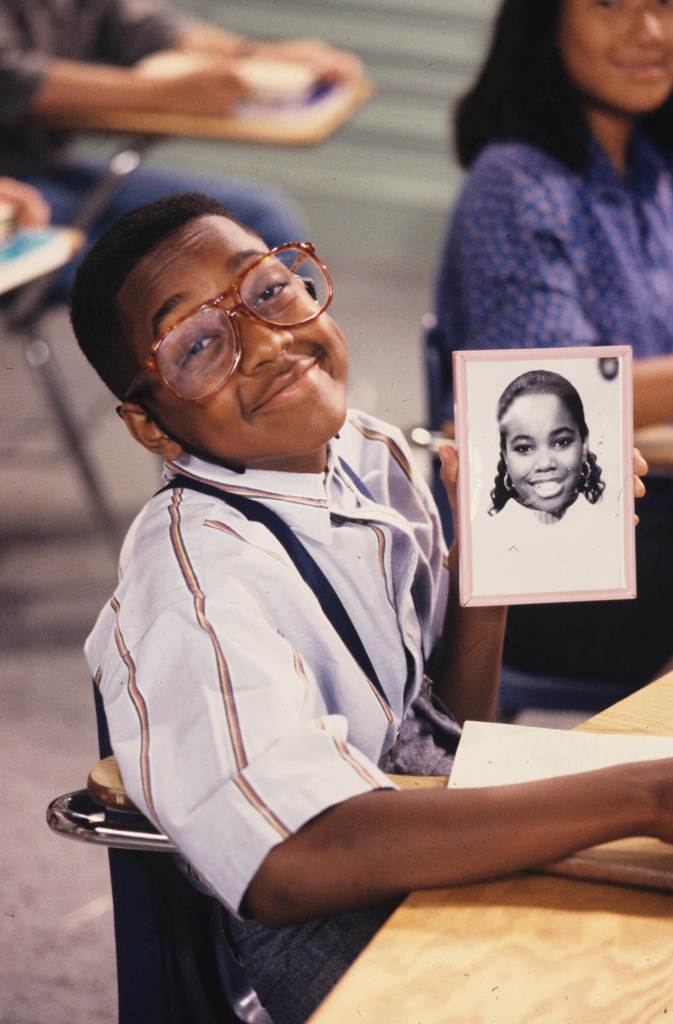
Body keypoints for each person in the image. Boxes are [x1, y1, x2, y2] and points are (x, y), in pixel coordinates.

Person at [69, 191, 671, 1024]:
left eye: (270, 289)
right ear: (150, 426)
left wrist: (481, 575)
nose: (271, 343)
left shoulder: (367, 451)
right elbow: (291, 860)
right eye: (201, 344)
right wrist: (642, 795)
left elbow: (444, 736)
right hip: (323, 920)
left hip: (417, 815)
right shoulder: (196, 589)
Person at [433, 0, 673, 686]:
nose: (648, 30)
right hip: (555, 564)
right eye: (608, 4)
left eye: (660, 2)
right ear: (543, 22)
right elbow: (547, 398)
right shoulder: (514, 182)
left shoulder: (650, 166)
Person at [0, 0, 362, 251]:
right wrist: (167, 93)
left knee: (257, 220)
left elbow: (147, 29)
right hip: (18, 198)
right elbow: (10, 77)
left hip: (41, 174)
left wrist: (258, 55)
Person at [489, 370, 604, 519]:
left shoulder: (607, 525)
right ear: (505, 455)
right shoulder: (489, 535)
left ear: (584, 443)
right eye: (524, 448)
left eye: (561, 442)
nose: (545, 463)